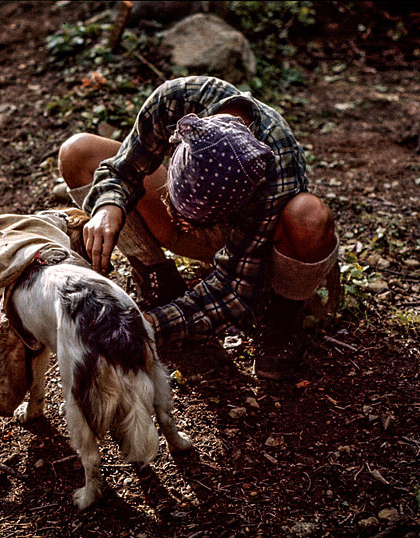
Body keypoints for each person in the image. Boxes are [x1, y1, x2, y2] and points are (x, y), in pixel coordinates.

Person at [57, 76, 338, 379]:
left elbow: (233, 290)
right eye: (177, 208)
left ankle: (283, 317)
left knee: (308, 217)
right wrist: (108, 205)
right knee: (79, 152)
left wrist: (150, 325)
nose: (182, 222)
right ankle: (155, 273)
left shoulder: (275, 168)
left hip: (250, 243)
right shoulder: (178, 99)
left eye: (192, 219)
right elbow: (124, 169)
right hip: (204, 214)